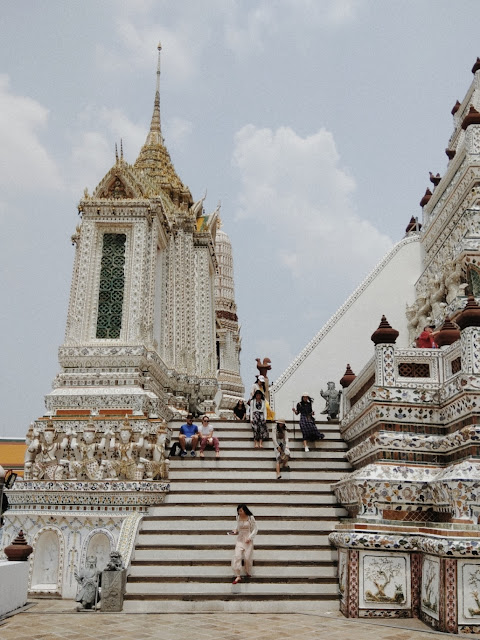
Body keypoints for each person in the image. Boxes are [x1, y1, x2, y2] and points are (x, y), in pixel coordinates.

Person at [230, 504, 258, 584]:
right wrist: (235, 531)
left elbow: (255, 529)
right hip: (240, 539)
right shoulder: (238, 517)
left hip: (247, 538)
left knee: (247, 557)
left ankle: (247, 570)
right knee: (237, 556)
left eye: (241, 511)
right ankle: (238, 576)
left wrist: (250, 537)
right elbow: (238, 526)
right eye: (239, 511)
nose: (240, 512)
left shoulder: (250, 518)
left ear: (245, 510)